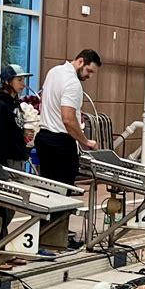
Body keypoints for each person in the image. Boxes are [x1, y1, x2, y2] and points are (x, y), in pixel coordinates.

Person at [0, 64, 32, 267]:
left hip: (17, 160)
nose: (23, 84)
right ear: (7, 81)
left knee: (10, 209)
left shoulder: (14, 104)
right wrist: (0, 167)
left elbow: (14, 131)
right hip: (5, 163)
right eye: (19, 80)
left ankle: (3, 250)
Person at [35, 49, 102, 187]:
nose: (90, 76)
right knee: (62, 193)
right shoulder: (73, 83)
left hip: (44, 138)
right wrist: (86, 141)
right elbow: (68, 119)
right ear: (80, 61)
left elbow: (46, 100)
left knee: (48, 189)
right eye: (89, 71)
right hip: (60, 144)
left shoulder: (54, 72)